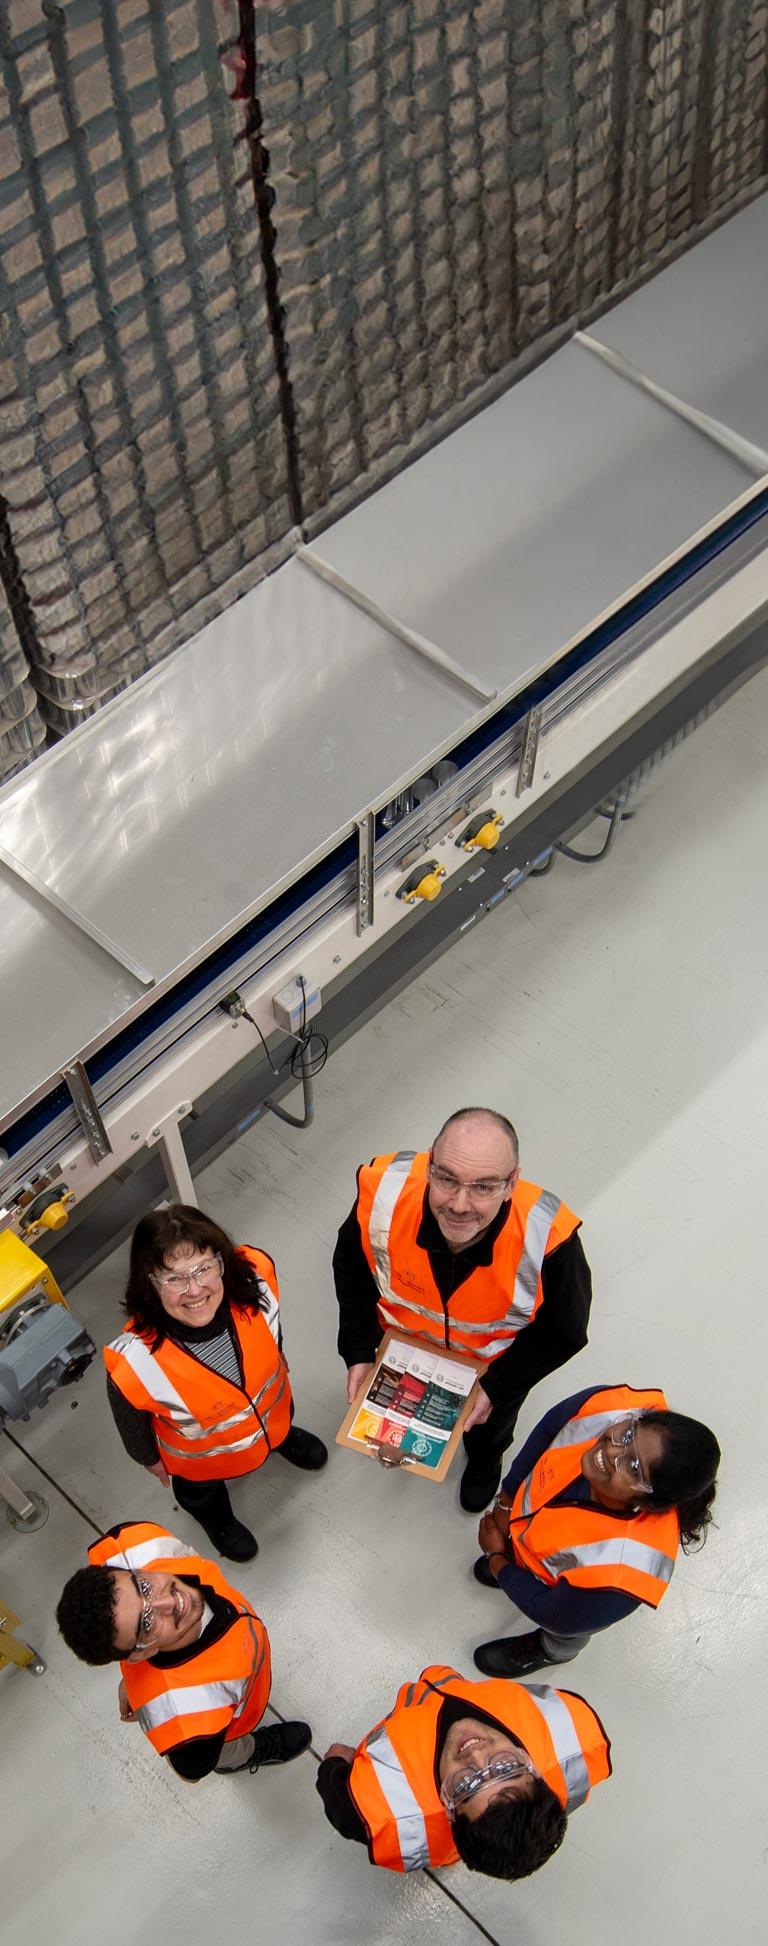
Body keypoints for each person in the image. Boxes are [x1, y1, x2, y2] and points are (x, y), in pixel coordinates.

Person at [333, 1107, 592, 1511]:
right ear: (429, 1163)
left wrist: (498, 1386)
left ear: (512, 1183)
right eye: (447, 1178)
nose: (459, 1204)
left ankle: (486, 1459)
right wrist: (359, 1348)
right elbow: (351, 1265)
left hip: (492, 1367)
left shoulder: (548, 1238)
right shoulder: (385, 1193)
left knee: (490, 1429)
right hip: (404, 1351)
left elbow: (565, 1330)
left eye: (484, 1187)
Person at [104, 1204, 328, 1562]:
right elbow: (129, 1418)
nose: (194, 1290)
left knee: (280, 1421)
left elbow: (273, 1331)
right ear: (149, 1282)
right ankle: (219, 1522)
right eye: (174, 1278)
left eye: (204, 1268)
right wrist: (147, 1458)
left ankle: (283, 1439)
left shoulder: (257, 1278)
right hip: (201, 1466)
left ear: (221, 1261)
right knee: (201, 1494)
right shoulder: (134, 1360)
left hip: (272, 1414)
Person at [472, 1381, 720, 1676]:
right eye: (628, 1434)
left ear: (650, 1504)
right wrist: (506, 1501)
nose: (612, 1451)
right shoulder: (610, 1407)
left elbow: (553, 1614)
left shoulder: (616, 1580)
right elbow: (551, 1428)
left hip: (565, 1610)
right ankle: (519, 1565)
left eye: (634, 1468)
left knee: (563, 1636)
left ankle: (551, 1652)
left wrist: (498, 1559)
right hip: (526, 1538)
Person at [55, 1520, 311, 1779]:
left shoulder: (137, 1543)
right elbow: (192, 1769)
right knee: (227, 1750)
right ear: (140, 1655)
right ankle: (246, 1753)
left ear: (127, 1570)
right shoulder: (191, 1734)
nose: (170, 1601)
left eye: (144, 1586)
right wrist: (137, 1684)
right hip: (225, 1730)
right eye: (147, 1623)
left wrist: (133, 1680)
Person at [316, 1661, 610, 1877]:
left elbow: (339, 1797)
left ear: (449, 1813)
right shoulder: (567, 1726)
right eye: (506, 1767)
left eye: (466, 1785)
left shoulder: (380, 1811)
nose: (477, 1754)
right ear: (533, 1769)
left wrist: (339, 1761)